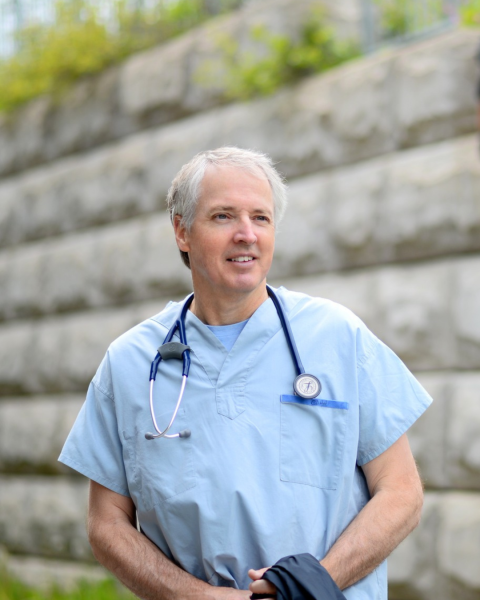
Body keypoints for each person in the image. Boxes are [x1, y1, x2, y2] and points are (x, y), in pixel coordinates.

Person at [59, 147, 432, 600]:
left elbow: (402, 492)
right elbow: (106, 524)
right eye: (223, 217)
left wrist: (308, 585)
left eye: (261, 218)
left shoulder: (338, 337)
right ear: (182, 231)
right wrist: (199, 597)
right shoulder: (130, 363)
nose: (246, 235)